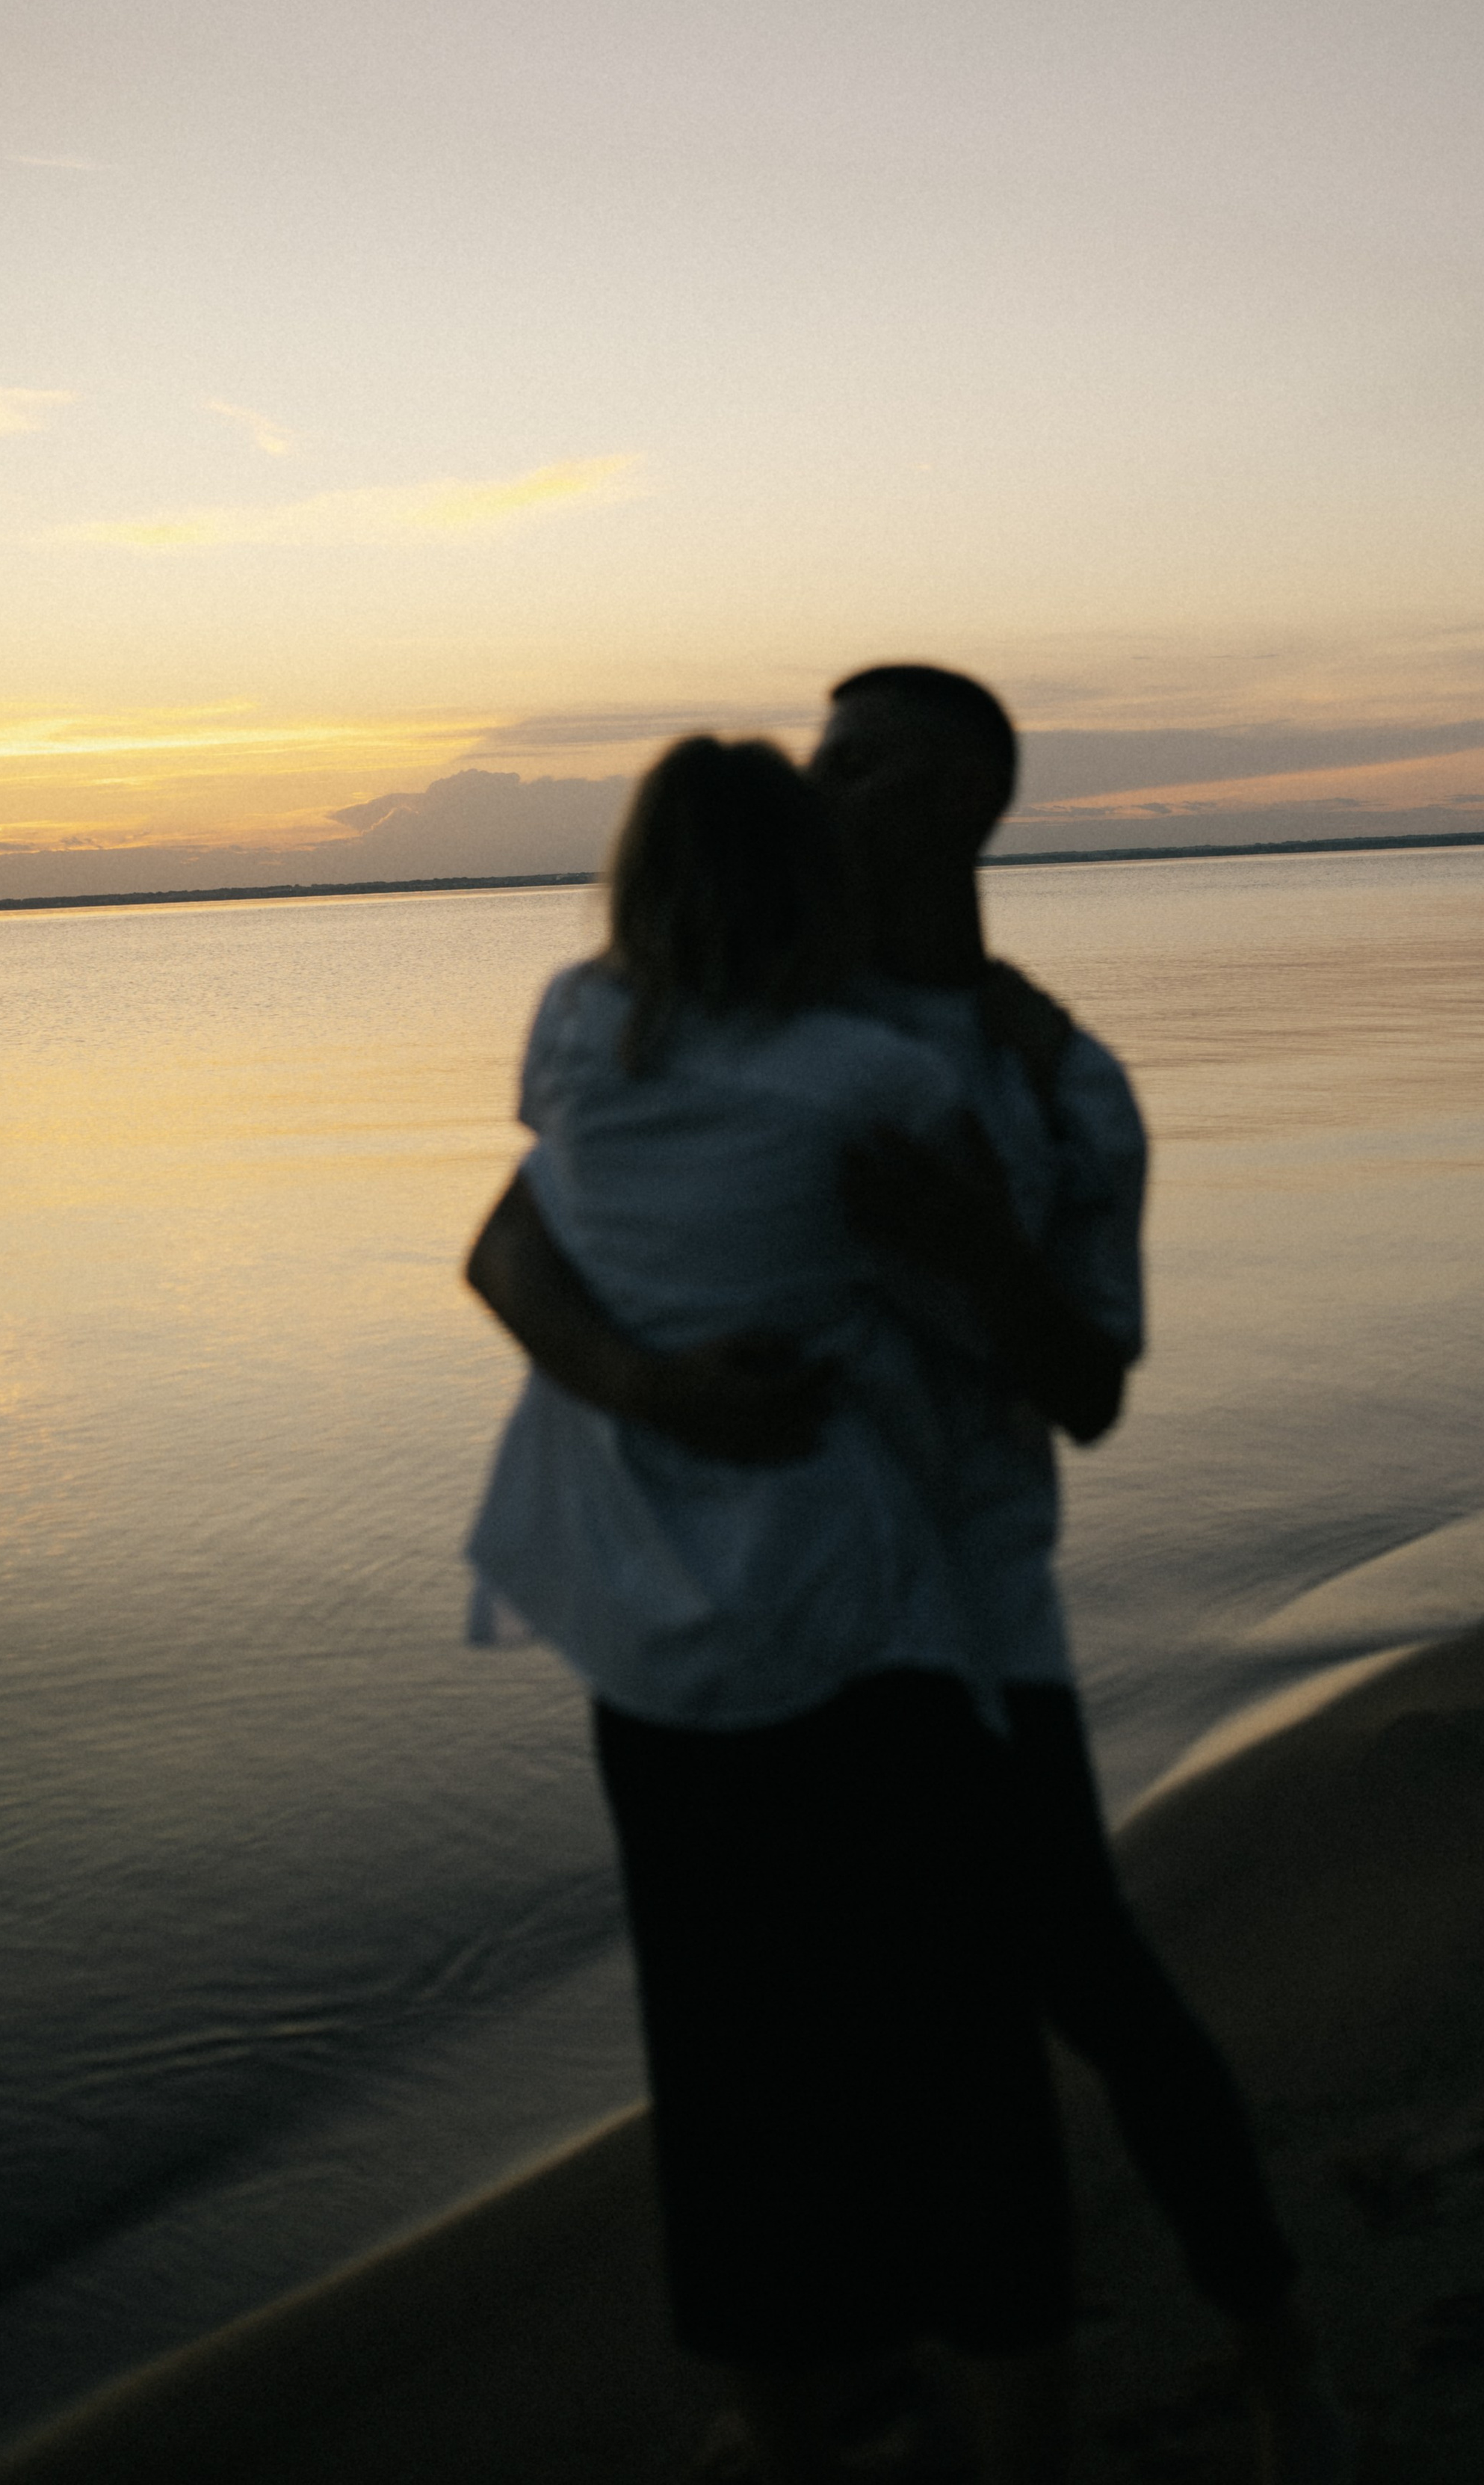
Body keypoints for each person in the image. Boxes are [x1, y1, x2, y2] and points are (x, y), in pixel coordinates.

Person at [469, 669, 1352, 2485]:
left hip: (967, 1620)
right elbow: (510, 1248)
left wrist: (972, 1248)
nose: (821, 778)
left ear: (960, 798)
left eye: (861, 757)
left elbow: (1089, 1388)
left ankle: (1272, 2350)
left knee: (1086, 2003)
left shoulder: (1048, 1078)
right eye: (815, 752)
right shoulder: (711, 1012)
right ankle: (856, 2388)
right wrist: (648, 1386)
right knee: (802, 2047)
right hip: (756, 1633)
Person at [466, 732, 1075, 2485]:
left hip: (652, 1655)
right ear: (817, 888)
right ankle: (1013, 2427)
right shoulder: (875, 1080)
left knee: (729, 2065)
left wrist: (641, 1380)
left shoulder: (571, 1031)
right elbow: (1007, 1342)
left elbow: (516, 1238)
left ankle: (788, 2421)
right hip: (853, 1635)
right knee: (954, 2057)